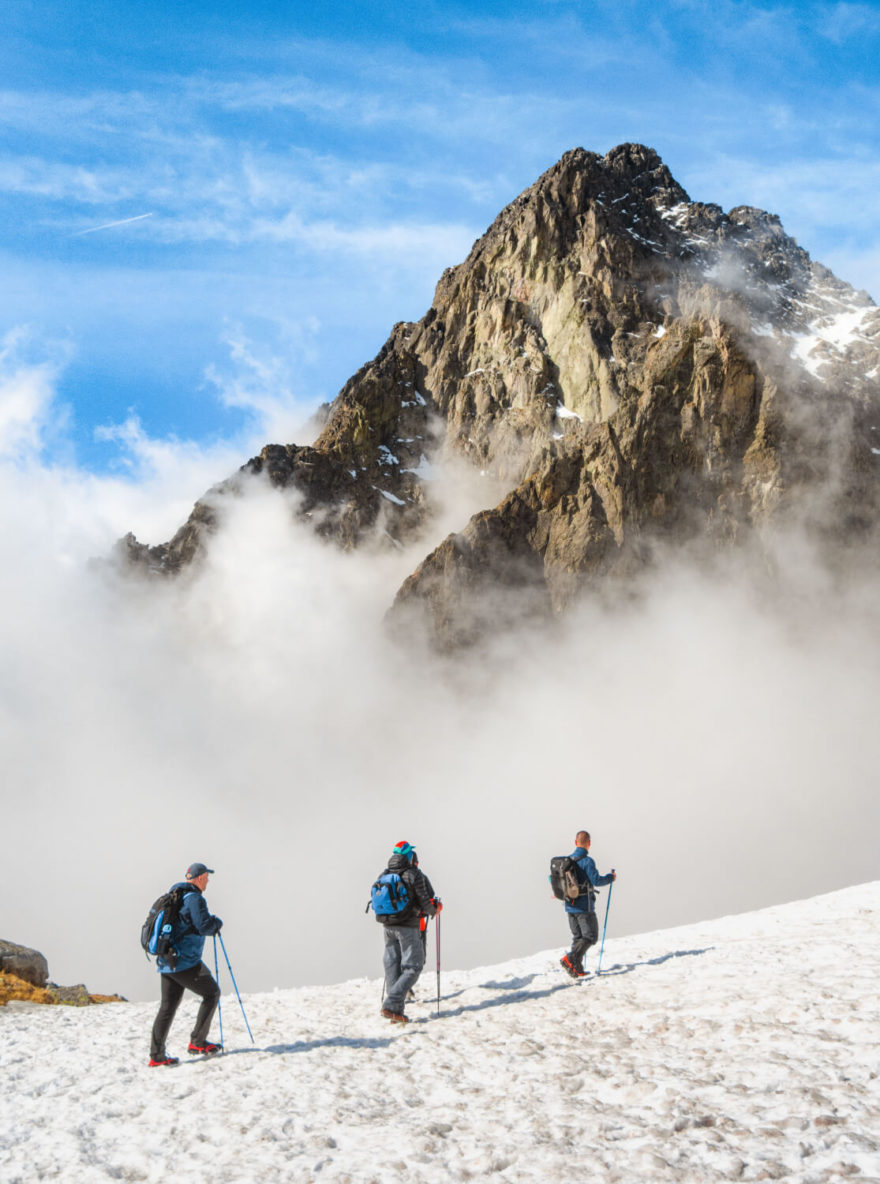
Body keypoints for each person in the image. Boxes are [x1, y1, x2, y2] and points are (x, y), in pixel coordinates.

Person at [149, 862, 224, 1066]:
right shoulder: (194, 899)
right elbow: (204, 926)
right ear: (199, 877)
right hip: (184, 961)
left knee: (167, 1007)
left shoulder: (176, 895)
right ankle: (197, 1042)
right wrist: (217, 923)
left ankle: (157, 1056)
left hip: (167, 960)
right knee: (212, 993)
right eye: (207, 877)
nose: (208, 880)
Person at [374, 840, 441, 1023]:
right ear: (410, 856)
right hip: (408, 926)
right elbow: (426, 903)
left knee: (392, 964)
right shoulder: (414, 874)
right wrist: (435, 910)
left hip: (387, 926)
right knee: (413, 966)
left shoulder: (385, 874)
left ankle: (395, 1009)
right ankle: (391, 1005)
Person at [560, 831, 616, 978]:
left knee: (578, 937)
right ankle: (570, 959)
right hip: (584, 906)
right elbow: (597, 880)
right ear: (589, 843)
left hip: (569, 906)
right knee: (591, 936)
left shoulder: (566, 862)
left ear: (575, 842)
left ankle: (576, 969)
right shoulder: (587, 861)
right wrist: (611, 878)